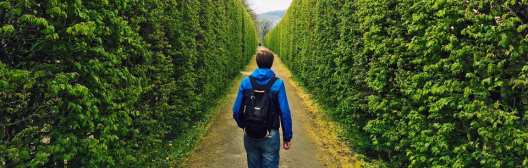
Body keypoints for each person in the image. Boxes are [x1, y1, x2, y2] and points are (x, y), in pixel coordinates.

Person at [232, 48, 293, 168]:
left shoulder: (246, 82)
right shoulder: (278, 84)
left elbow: (236, 110)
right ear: (271, 63)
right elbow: (285, 112)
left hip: (250, 134)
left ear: (257, 62)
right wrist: (287, 136)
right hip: (270, 134)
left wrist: (244, 124)